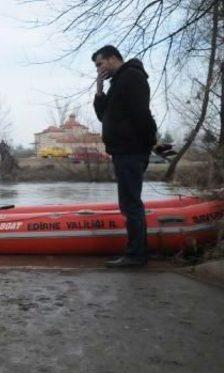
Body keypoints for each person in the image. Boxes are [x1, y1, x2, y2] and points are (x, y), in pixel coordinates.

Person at [92, 45, 157, 267]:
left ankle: (136, 255)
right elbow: (104, 116)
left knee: (131, 204)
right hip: (123, 151)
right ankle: (136, 252)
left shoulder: (131, 78)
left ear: (112, 58)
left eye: (100, 64)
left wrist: (148, 145)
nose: (99, 69)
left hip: (131, 151)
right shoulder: (117, 83)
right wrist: (99, 90)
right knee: (128, 203)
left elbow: (142, 115)